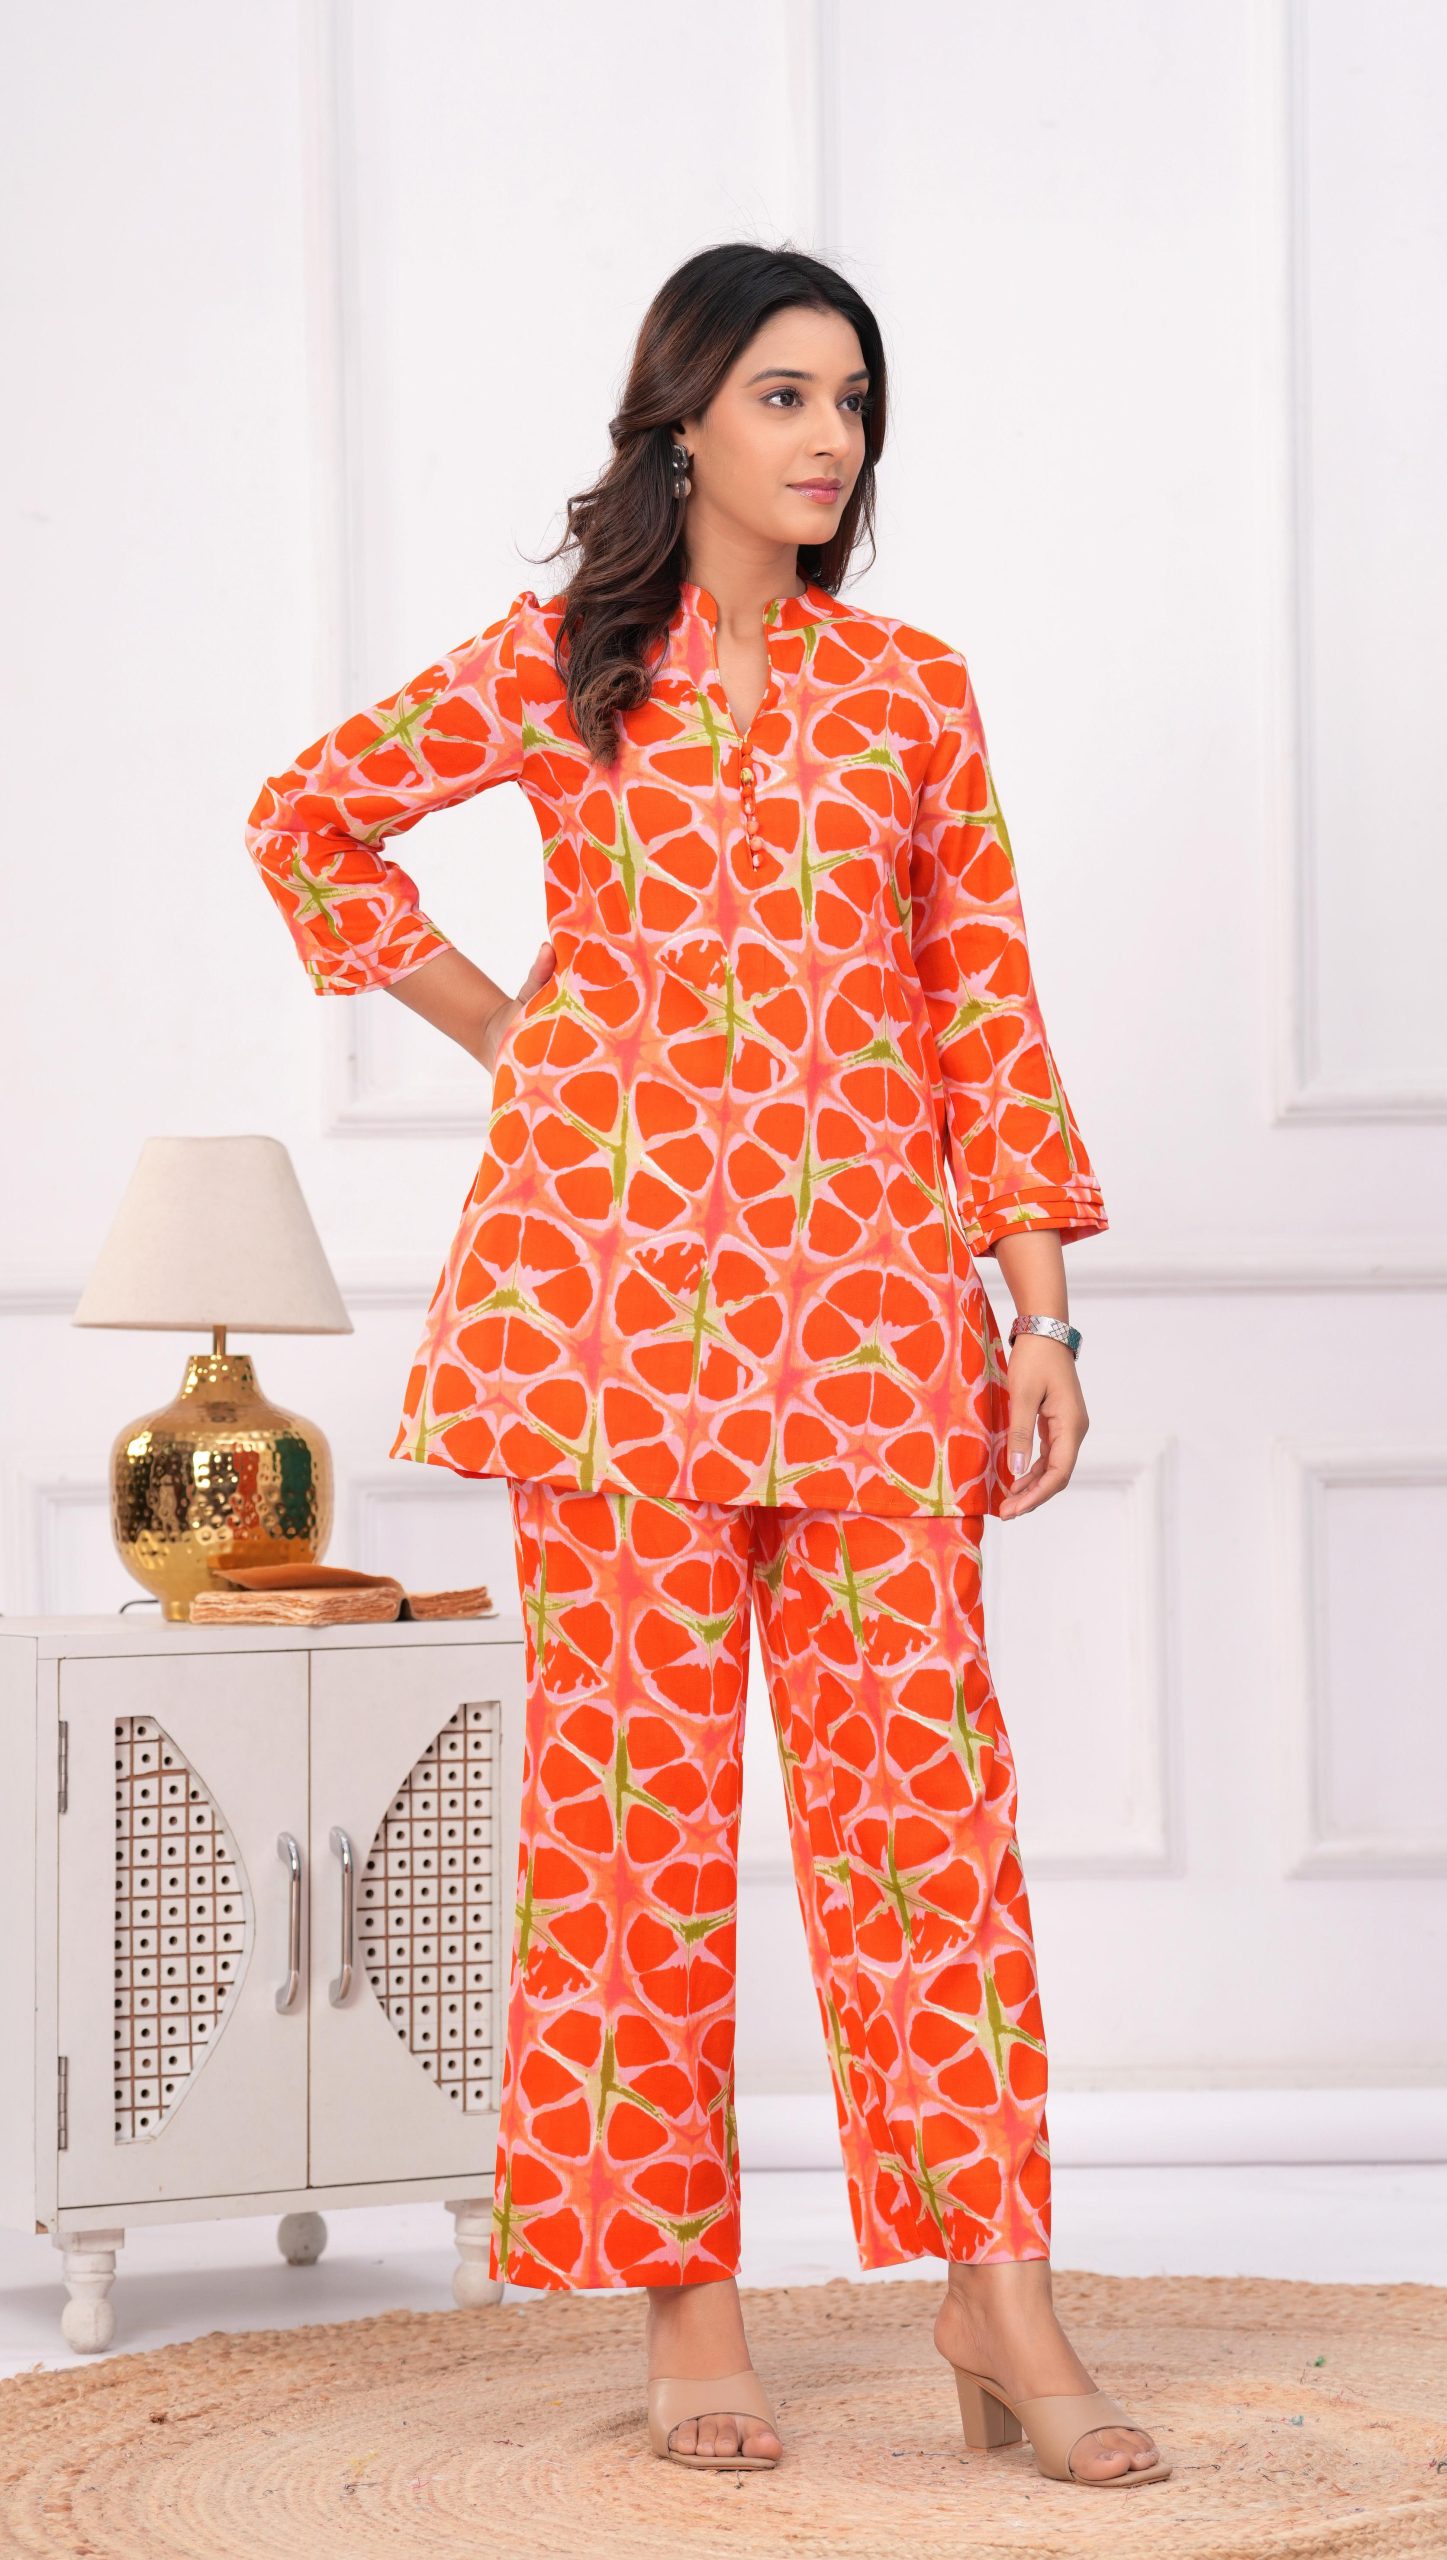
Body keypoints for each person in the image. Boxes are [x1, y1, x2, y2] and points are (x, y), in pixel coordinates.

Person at [246, 240, 1168, 2492]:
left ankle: (996, 2289)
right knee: (633, 1825)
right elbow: (308, 813)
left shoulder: (910, 693)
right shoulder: (569, 668)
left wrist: (1039, 1310)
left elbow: (980, 1006)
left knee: (927, 1826)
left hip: (870, 1328)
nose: (829, 436)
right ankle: (686, 2305)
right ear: (682, 420)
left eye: (852, 399)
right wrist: (515, 1032)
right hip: (604, 1331)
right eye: (782, 393)